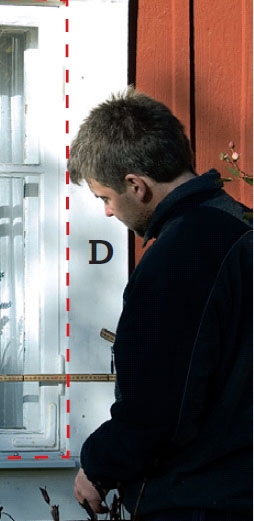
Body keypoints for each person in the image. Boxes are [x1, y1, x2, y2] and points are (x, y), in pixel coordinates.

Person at [67, 89, 252, 520]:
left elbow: (158, 405)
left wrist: (98, 466)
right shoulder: (241, 228)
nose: (107, 212)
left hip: (199, 498)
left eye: (105, 198)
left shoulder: (180, 257)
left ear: (137, 185)